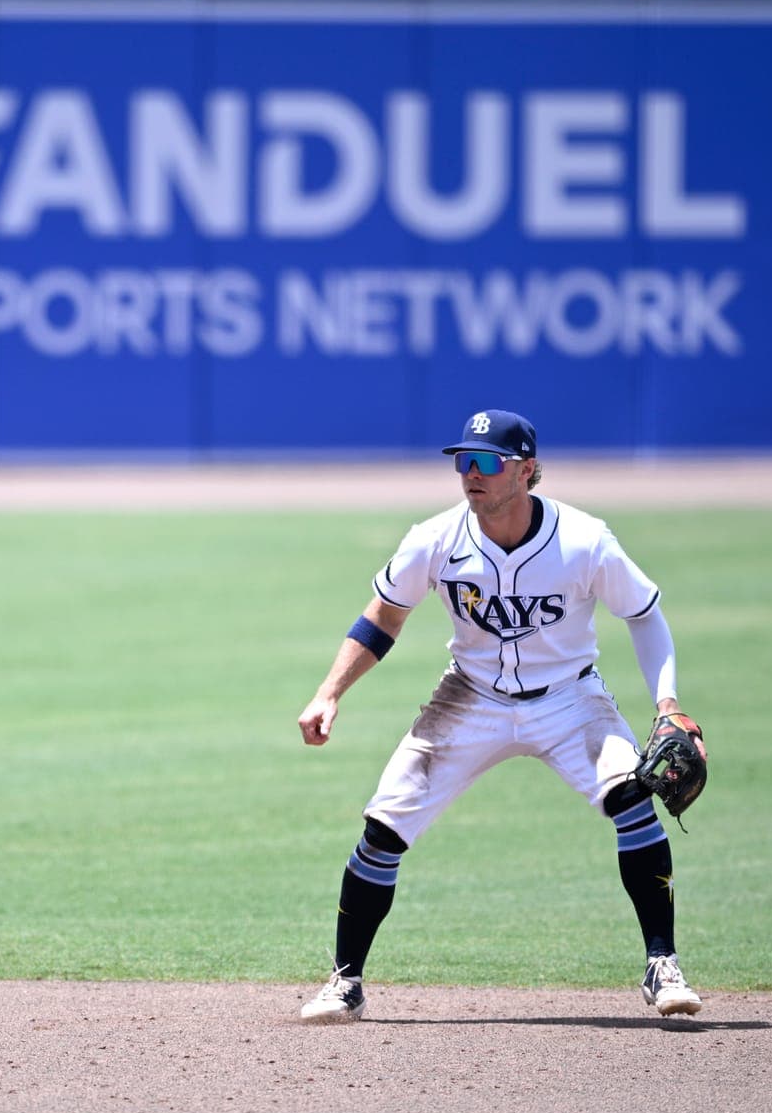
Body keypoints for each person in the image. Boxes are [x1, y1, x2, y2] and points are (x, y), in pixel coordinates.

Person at [294, 408, 705, 1023]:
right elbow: (383, 617)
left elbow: (643, 613)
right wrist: (329, 692)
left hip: (571, 698)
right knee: (382, 830)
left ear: (528, 470)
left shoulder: (584, 540)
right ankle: (345, 981)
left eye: (488, 462)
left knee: (631, 799)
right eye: (464, 461)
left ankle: (662, 965)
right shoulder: (435, 538)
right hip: (469, 697)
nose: (471, 474)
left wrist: (668, 704)